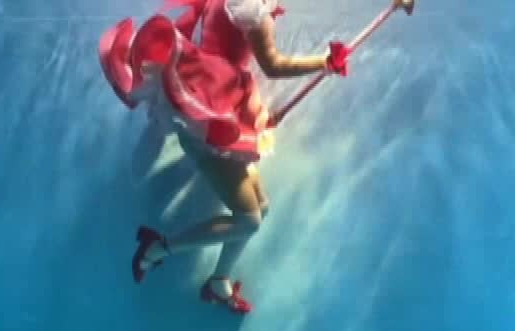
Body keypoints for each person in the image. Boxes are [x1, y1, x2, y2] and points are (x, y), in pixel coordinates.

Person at [99, 0, 412, 314]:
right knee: (248, 220)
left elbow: (228, 57)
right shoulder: (250, 7)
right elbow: (273, 65)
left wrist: (257, 115)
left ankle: (218, 282)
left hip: (215, 99)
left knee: (260, 208)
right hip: (211, 120)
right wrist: (325, 61)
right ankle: (157, 249)